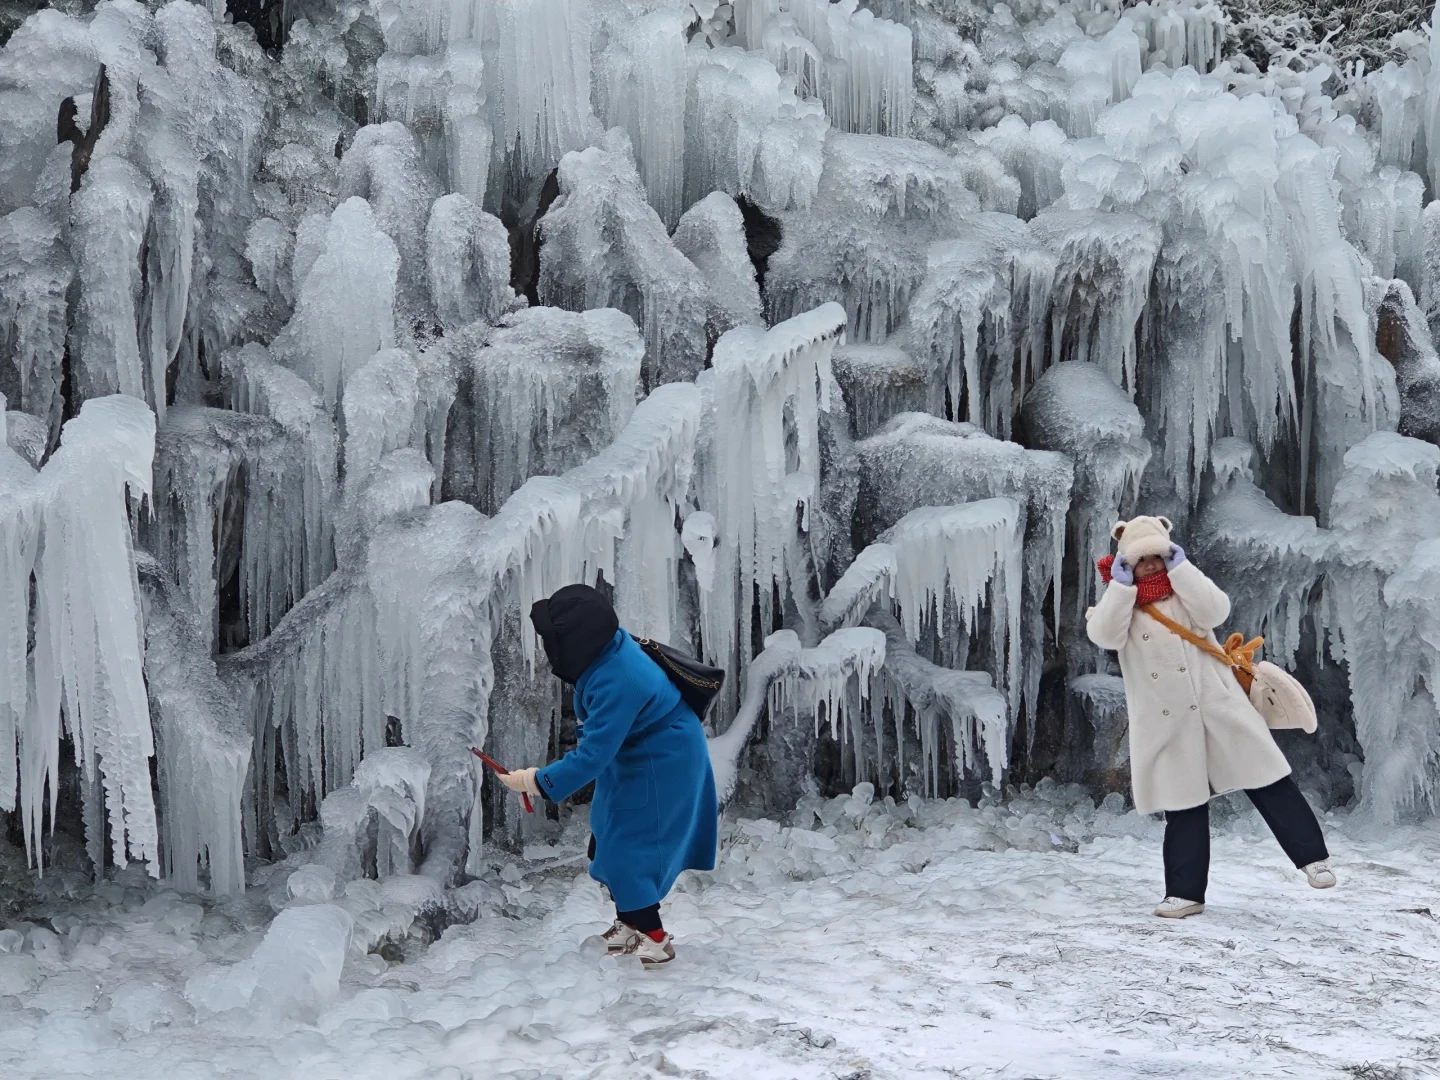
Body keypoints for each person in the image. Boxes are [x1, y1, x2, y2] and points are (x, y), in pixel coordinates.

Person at [1085, 515, 1336, 919]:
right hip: (1168, 720)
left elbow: (1216, 610)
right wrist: (1120, 587)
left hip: (1218, 706)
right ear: (1125, 561)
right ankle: (1185, 894)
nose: (1150, 564)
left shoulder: (1186, 595)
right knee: (1183, 803)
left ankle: (1313, 859)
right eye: (1140, 558)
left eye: (1158, 556)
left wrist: (1182, 568)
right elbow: (1104, 636)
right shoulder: (1119, 607)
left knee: (1268, 778)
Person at [498, 584, 719, 966]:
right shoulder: (608, 650)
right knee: (607, 835)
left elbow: (591, 757)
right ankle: (628, 924)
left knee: (631, 850)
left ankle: (654, 938)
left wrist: (535, 781)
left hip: (662, 764)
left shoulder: (619, 679)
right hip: (639, 754)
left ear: (577, 642)